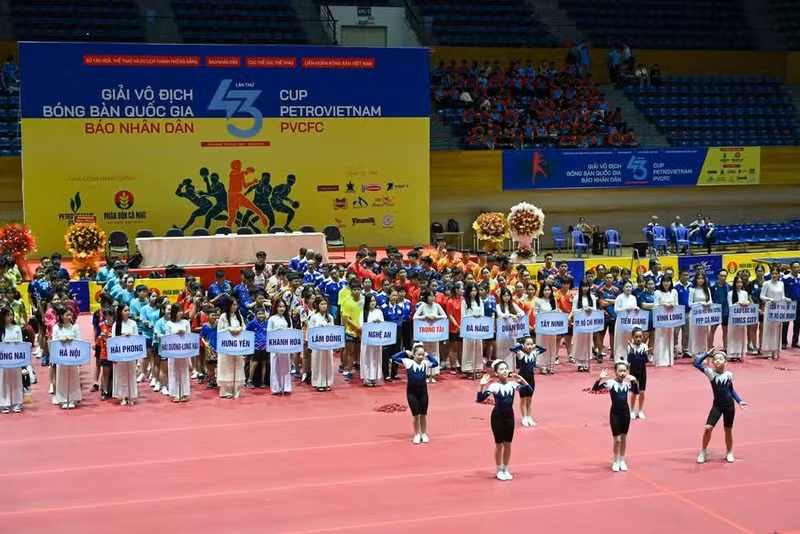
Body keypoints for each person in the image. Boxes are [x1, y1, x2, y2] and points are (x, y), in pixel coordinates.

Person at [476, 360, 533, 481]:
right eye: (501, 369)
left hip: (509, 417)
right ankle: (498, 469)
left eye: (506, 368)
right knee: (499, 444)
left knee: (508, 444)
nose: (505, 371)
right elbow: (480, 399)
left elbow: (529, 391)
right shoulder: (494, 386)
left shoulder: (513, 385)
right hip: (497, 418)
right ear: (496, 373)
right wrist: (481, 385)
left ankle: (506, 468)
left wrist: (521, 379)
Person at [694, 349, 748, 463]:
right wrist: (707, 354)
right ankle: (703, 451)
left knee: (728, 430)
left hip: (729, 405)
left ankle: (729, 452)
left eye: (720, 359)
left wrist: (739, 401)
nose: (718, 360)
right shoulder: (710, 373)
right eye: (715, 359)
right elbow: (696, 363)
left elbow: (731, 390)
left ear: (726, 362)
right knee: (708, 428)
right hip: (717, 406)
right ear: (712, 362)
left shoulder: (729, 375)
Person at [591, 363, 639, 472]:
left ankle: (622, 460)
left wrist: (634, 380)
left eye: (624, 371)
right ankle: (615, 460)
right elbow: (595, 389)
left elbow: (636, 392)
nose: (622, 373)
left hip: (625, 414)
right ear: (615, 372)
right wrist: (600, 378)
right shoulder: (610, 383)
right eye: (620, 371)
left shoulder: (627, 384)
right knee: (617, 440)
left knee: (623, 438)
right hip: (615, 414)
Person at [391, 344, 439, 444]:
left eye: (422, 355)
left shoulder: (425, 363)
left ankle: (424, 433)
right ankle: (417, 434)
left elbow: (435, 363)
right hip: (411, 393)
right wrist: (404, 352)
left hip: (423, 393)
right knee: (415, 415)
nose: (421, 357)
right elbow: (394, 357)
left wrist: (428, 355)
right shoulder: (408, 362)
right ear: (414, 354)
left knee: (423, 414)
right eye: (419, 355)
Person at [413, 289, 448, 382]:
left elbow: (444, 316)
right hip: (425, 332)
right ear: (426, 297)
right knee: (426, 352)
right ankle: (426, 373)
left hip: (435, 332)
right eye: (430, 296)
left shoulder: (437, 306)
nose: (432, 298)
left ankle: (434, 372)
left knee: (435, 351)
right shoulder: (422, 306)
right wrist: (425, 317)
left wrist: (436, 317)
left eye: (433, 296)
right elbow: (415, 317)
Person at [510, 336, 545, 427]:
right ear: (523, 345)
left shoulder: (534, 353)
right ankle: (524, 417)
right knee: (523, 399)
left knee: (529, 399)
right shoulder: (520, 353)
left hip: (531, 379)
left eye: (531, 344)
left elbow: (544, 349)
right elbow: (512, 348)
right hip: (522, 379)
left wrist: (535, 345)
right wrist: (520, 345)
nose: (530, 346)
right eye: (527, 344)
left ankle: (529, 416)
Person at [52, 307, 82, 409]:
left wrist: (71, 339)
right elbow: (54, 342)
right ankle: (63, 398)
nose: (69, 317)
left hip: (72, 356)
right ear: (61, 316)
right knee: (62, 377)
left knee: (73, 377)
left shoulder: (75, 327)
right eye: (67, 315)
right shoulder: (56, 327)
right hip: (61, 357)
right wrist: (61, 340)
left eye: (70, 315)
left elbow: (79, 341)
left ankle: (73, 398)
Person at [217, 297, 246, 399]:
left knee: (237, 366)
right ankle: (227, 391)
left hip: (237, 347)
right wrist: (228, 329)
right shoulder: (223, 317)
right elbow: (219, 332)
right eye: (233, 304)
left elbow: (244, 327)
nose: (235, 307)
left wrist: (239, 329)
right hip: (226, 348)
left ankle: (236, 389)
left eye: (236, 305)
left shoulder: (239, 316)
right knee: (226, 367)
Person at [112, 304, 139, 406]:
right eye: (125, 310)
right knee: (121, 375)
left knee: (131, 374)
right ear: (120, 312)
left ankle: (131, 395)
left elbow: (137, 338)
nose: (127, 312)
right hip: (120, 354)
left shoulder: (133, 323)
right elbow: (113, 340)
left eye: (128, 310)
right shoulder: (116, 325)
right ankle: (122, 396)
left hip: (131, 353)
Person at [165, 304, 192, 402]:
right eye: (179, 310)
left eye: (182, 310)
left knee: (184, 371)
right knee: (173, 371)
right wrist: (176, 333)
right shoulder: (169, 324)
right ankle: (175, 393)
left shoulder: (186, 322)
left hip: (183, 350)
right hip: (173, 351)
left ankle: (184, 393)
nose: (181, 312)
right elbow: (167, 337)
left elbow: (189, 336)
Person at [760, 265, 787, 359]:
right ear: (770, 274)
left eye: (776, 273)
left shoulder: (781, 284)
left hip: (779, 309)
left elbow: (782, 296)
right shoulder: (766, 283)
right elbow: (762, 296)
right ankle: (767, 351)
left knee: (777, 329)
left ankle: (775, 350)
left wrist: (786, 299)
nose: (774, 275)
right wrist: (770, 299)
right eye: (773, 273)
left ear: (779, 274)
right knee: (768, 329)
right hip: (769, 308)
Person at [309, 297, 335, 391]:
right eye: (321, 304)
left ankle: (327, 382)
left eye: (325, 304)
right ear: (317, 305)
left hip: (327, 345)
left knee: (328, 363)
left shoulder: (330, 317)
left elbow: (334, 331)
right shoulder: (314, 317)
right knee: (318, 363)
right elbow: (310, 331)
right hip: (317, 345)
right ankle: (318, 382)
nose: (324, 306)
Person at [0, 306, 24, 413]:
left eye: (11, 315)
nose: (10, 317)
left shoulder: (17, 328)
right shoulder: (1, 329)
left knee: (16, 381)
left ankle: (16, 403)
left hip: (15, 360)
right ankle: (3, 403)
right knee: (3, 381)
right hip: (3, 360)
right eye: (7, 315)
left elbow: (21, 344)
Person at [495, 288, 525, 372]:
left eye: (508, 295)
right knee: (502, 349)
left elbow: (523, 313)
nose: (506, 297)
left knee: (511, 349)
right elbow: (500, 315)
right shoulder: (498, 306)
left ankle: (511, 369)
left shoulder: (513, 305)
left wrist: (519, 314)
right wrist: (511, 315)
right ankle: (501, 369)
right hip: (502, 331)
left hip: (512, 331)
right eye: (504, 295)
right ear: (501, 297)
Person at [267, 299, 293, 395]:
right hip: (275, 346)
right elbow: (268, 332)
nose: (282, 309)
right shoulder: (272, 319)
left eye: (283, 307)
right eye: (279, 306)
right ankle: (276, 388)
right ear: (276, 307)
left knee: (286, 367)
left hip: (285, 346)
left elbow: (291, 330)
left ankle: (286, 387)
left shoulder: (288, 318)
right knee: (275, 366)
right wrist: (276, 331)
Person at [570, 280, 596, 372]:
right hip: (579, 323)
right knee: (579, 343)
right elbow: (574, 311)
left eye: (586, 286)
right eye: (583, 287)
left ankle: (586, 362)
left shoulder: (592, 297)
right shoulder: (577, 297)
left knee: (588, 342)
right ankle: (579, 363)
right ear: (580, 287)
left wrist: (590, 309)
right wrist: (583, 309)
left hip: (588, 323)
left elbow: (595, 310)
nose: (585, 288)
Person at [360, 293, 384, 387]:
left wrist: (379, 323)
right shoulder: (363, 312)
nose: (372, 303)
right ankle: (367, 378)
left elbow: (383, 324)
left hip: (377, 339)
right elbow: (361, 326)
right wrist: (371, 323)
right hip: (367, 339)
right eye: (371, 301)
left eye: (374, 301)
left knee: (376, 357)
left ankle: (375, 377)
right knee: (367, 358)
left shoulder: (379, 312)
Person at [653, 276, 678, 367]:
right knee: (660, 338)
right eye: (664, 281)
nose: (666, 283)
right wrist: (664, 304)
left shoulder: (674, 292)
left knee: (669, 338)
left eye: (668, 281)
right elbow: (655, 306)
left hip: (670, 319)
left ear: (671, 282)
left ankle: (669, 360)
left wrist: (673, 304)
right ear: (661, 282)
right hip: (660, 319)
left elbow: (677, 304)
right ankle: (659, 360)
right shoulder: (657, 292)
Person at [534, 283, 559, 374]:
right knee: (542, 346)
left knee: (551, 346)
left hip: (552, 327)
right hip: (542, 327)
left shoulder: (554, 300)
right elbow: (535, 313)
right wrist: (544, 316)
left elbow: (556, 311)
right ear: (542, 291)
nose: (547, 292)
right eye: (545, 290)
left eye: (549, 290)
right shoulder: (538, 300)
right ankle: (542, 366)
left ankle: (551, 365)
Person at [626, 328, 649, 420]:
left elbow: (646, 361)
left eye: (640, 337)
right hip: (633, 371)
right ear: (633, 337)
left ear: (642, 337)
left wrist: (644, 353)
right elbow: (629, 360)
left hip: (642, 371)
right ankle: (631, 409)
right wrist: (631, 350)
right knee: (634, 392)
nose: (638, 339)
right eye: (636, 337)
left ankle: (640, 410)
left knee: (642, 392)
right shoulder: (630, 346)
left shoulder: (644, 346)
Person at [727, 275, 751, 361]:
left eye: (741, 282)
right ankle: (732, 353)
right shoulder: (730, 293)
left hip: (742, 317)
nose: (739, 284)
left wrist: (747, 303)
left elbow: (747, 303)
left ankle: (740, 353)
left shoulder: (745, 293)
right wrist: (737, 303)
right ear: (734, 283)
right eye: (738, 282)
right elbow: (730, 306)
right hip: (733, 318)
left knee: (741, 335)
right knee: (733, 336)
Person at [689, 272, 713, 355]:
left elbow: (710, 300)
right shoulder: (693, 290)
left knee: (703, 334)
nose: (700, 280)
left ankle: (703, 352)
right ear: (696, 279)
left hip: (704, 314)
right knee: (695, 334)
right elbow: (690, 304)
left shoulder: (707, 290)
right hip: (695, 314)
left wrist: (708, 303)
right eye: (698, 278)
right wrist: (700, 304)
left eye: (702, 278)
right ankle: (695, 353)